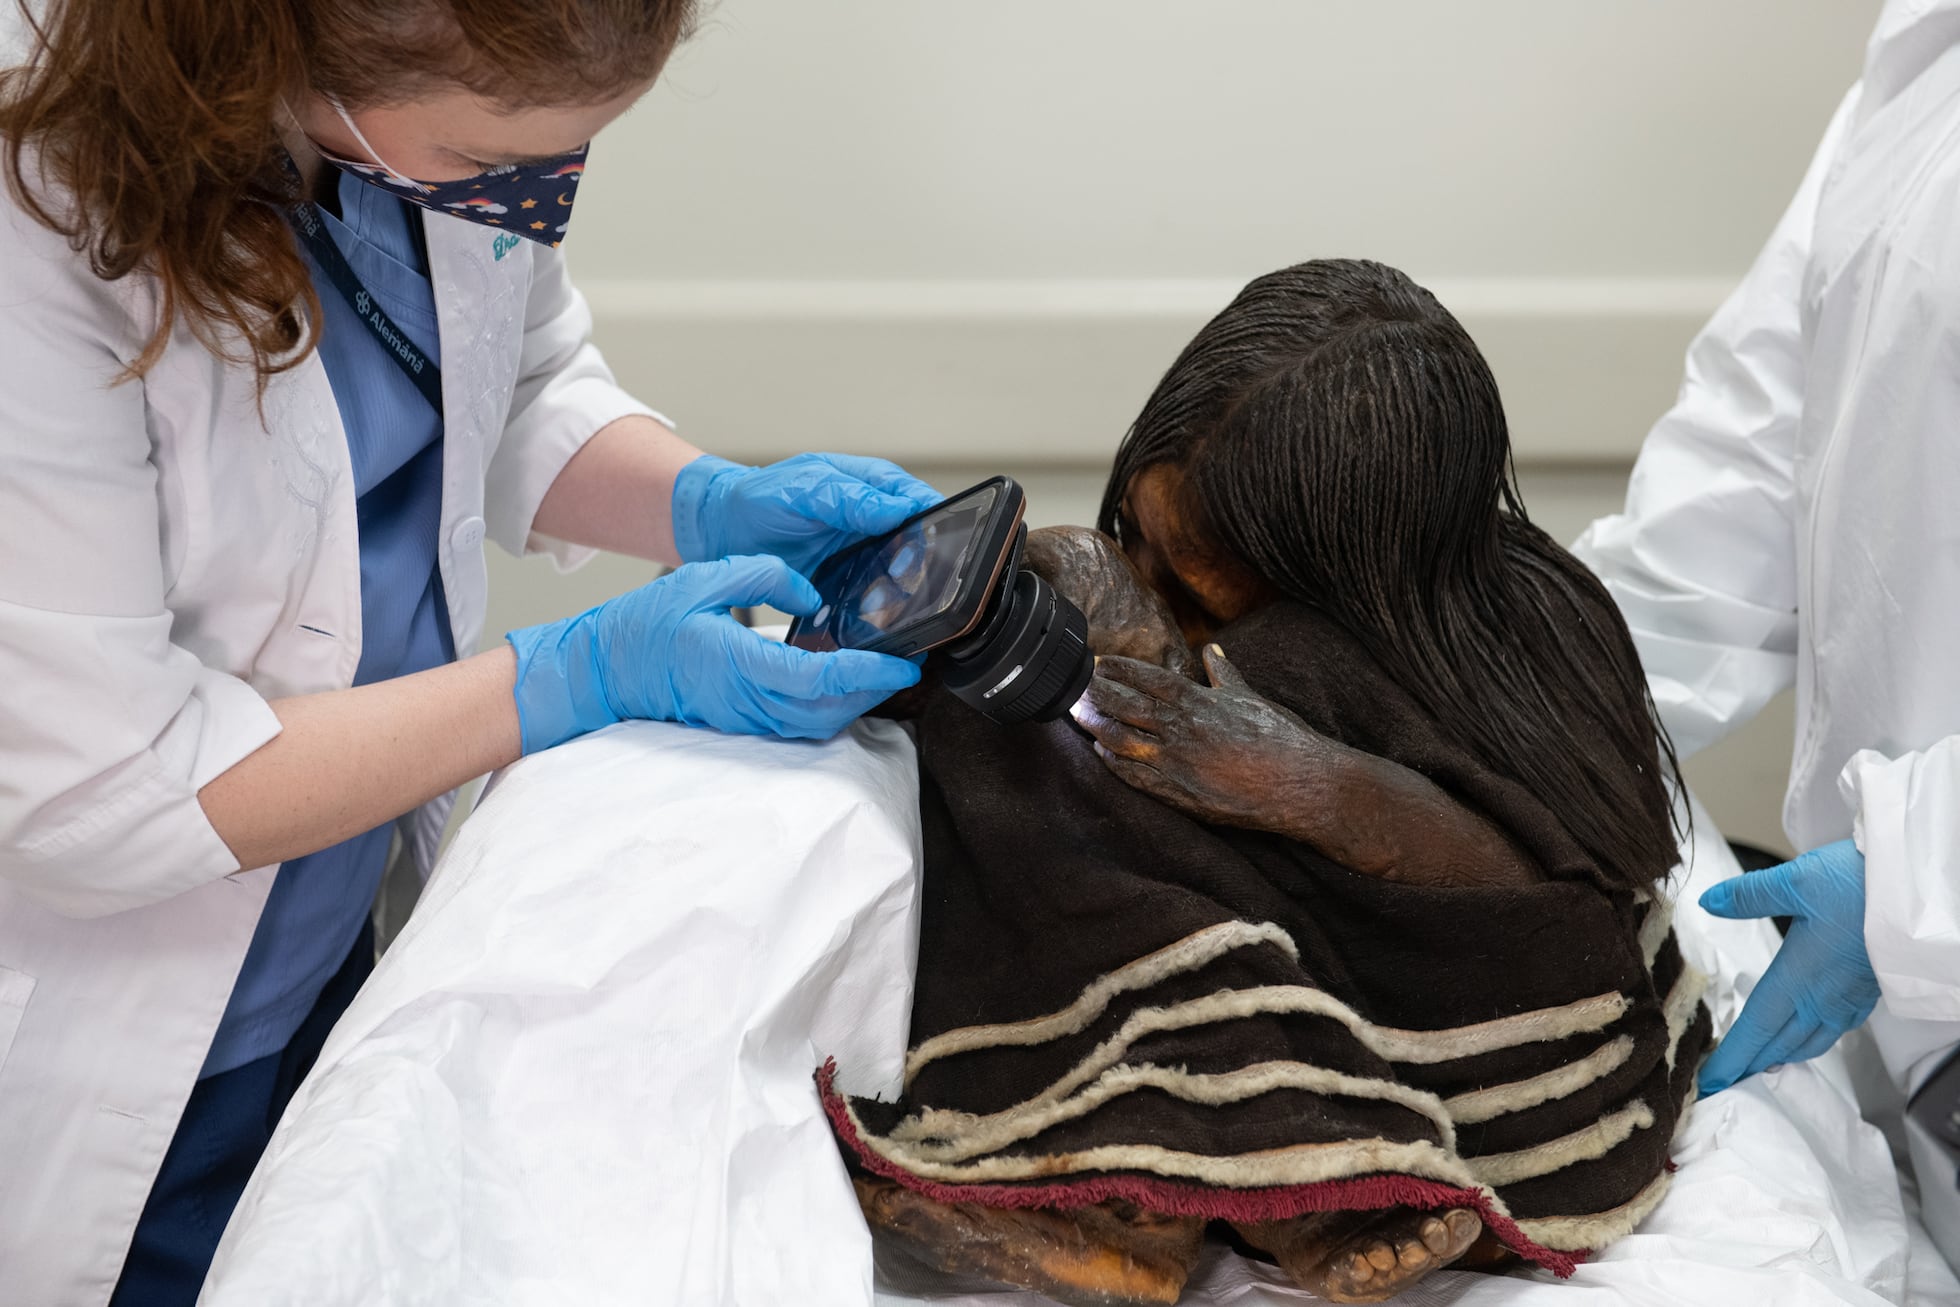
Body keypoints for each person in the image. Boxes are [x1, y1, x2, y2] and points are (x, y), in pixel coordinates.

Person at [0, 2, 937, 1303]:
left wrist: (710, 499)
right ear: (285, 43)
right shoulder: (32, 223)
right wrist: (570, 677)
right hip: (102, 1031)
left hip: (328, 947)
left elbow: (518, 383)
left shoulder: (409, 142)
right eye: (487, 161)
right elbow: (102, 783)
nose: (536, 192)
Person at [826, 261, 1706, 1306]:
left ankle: (1231, 1188)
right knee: (1028, 746)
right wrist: (1074, 576)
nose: (1153, 590)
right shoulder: (1247, 617)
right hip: (1303, 994)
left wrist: (1317, 788)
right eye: (1137, 537)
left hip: (1476, 1022)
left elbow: (1545, 898)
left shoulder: (1513, 632)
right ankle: (1197, 1194)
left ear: (1347, 573)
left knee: (1067, 794)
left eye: (1193, 584)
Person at [1571, 0, 1960, 1272]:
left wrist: (1918, 876)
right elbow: (1746, 455)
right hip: (1914, 1034)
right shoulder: (1924, 63)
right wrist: (1530, 691)